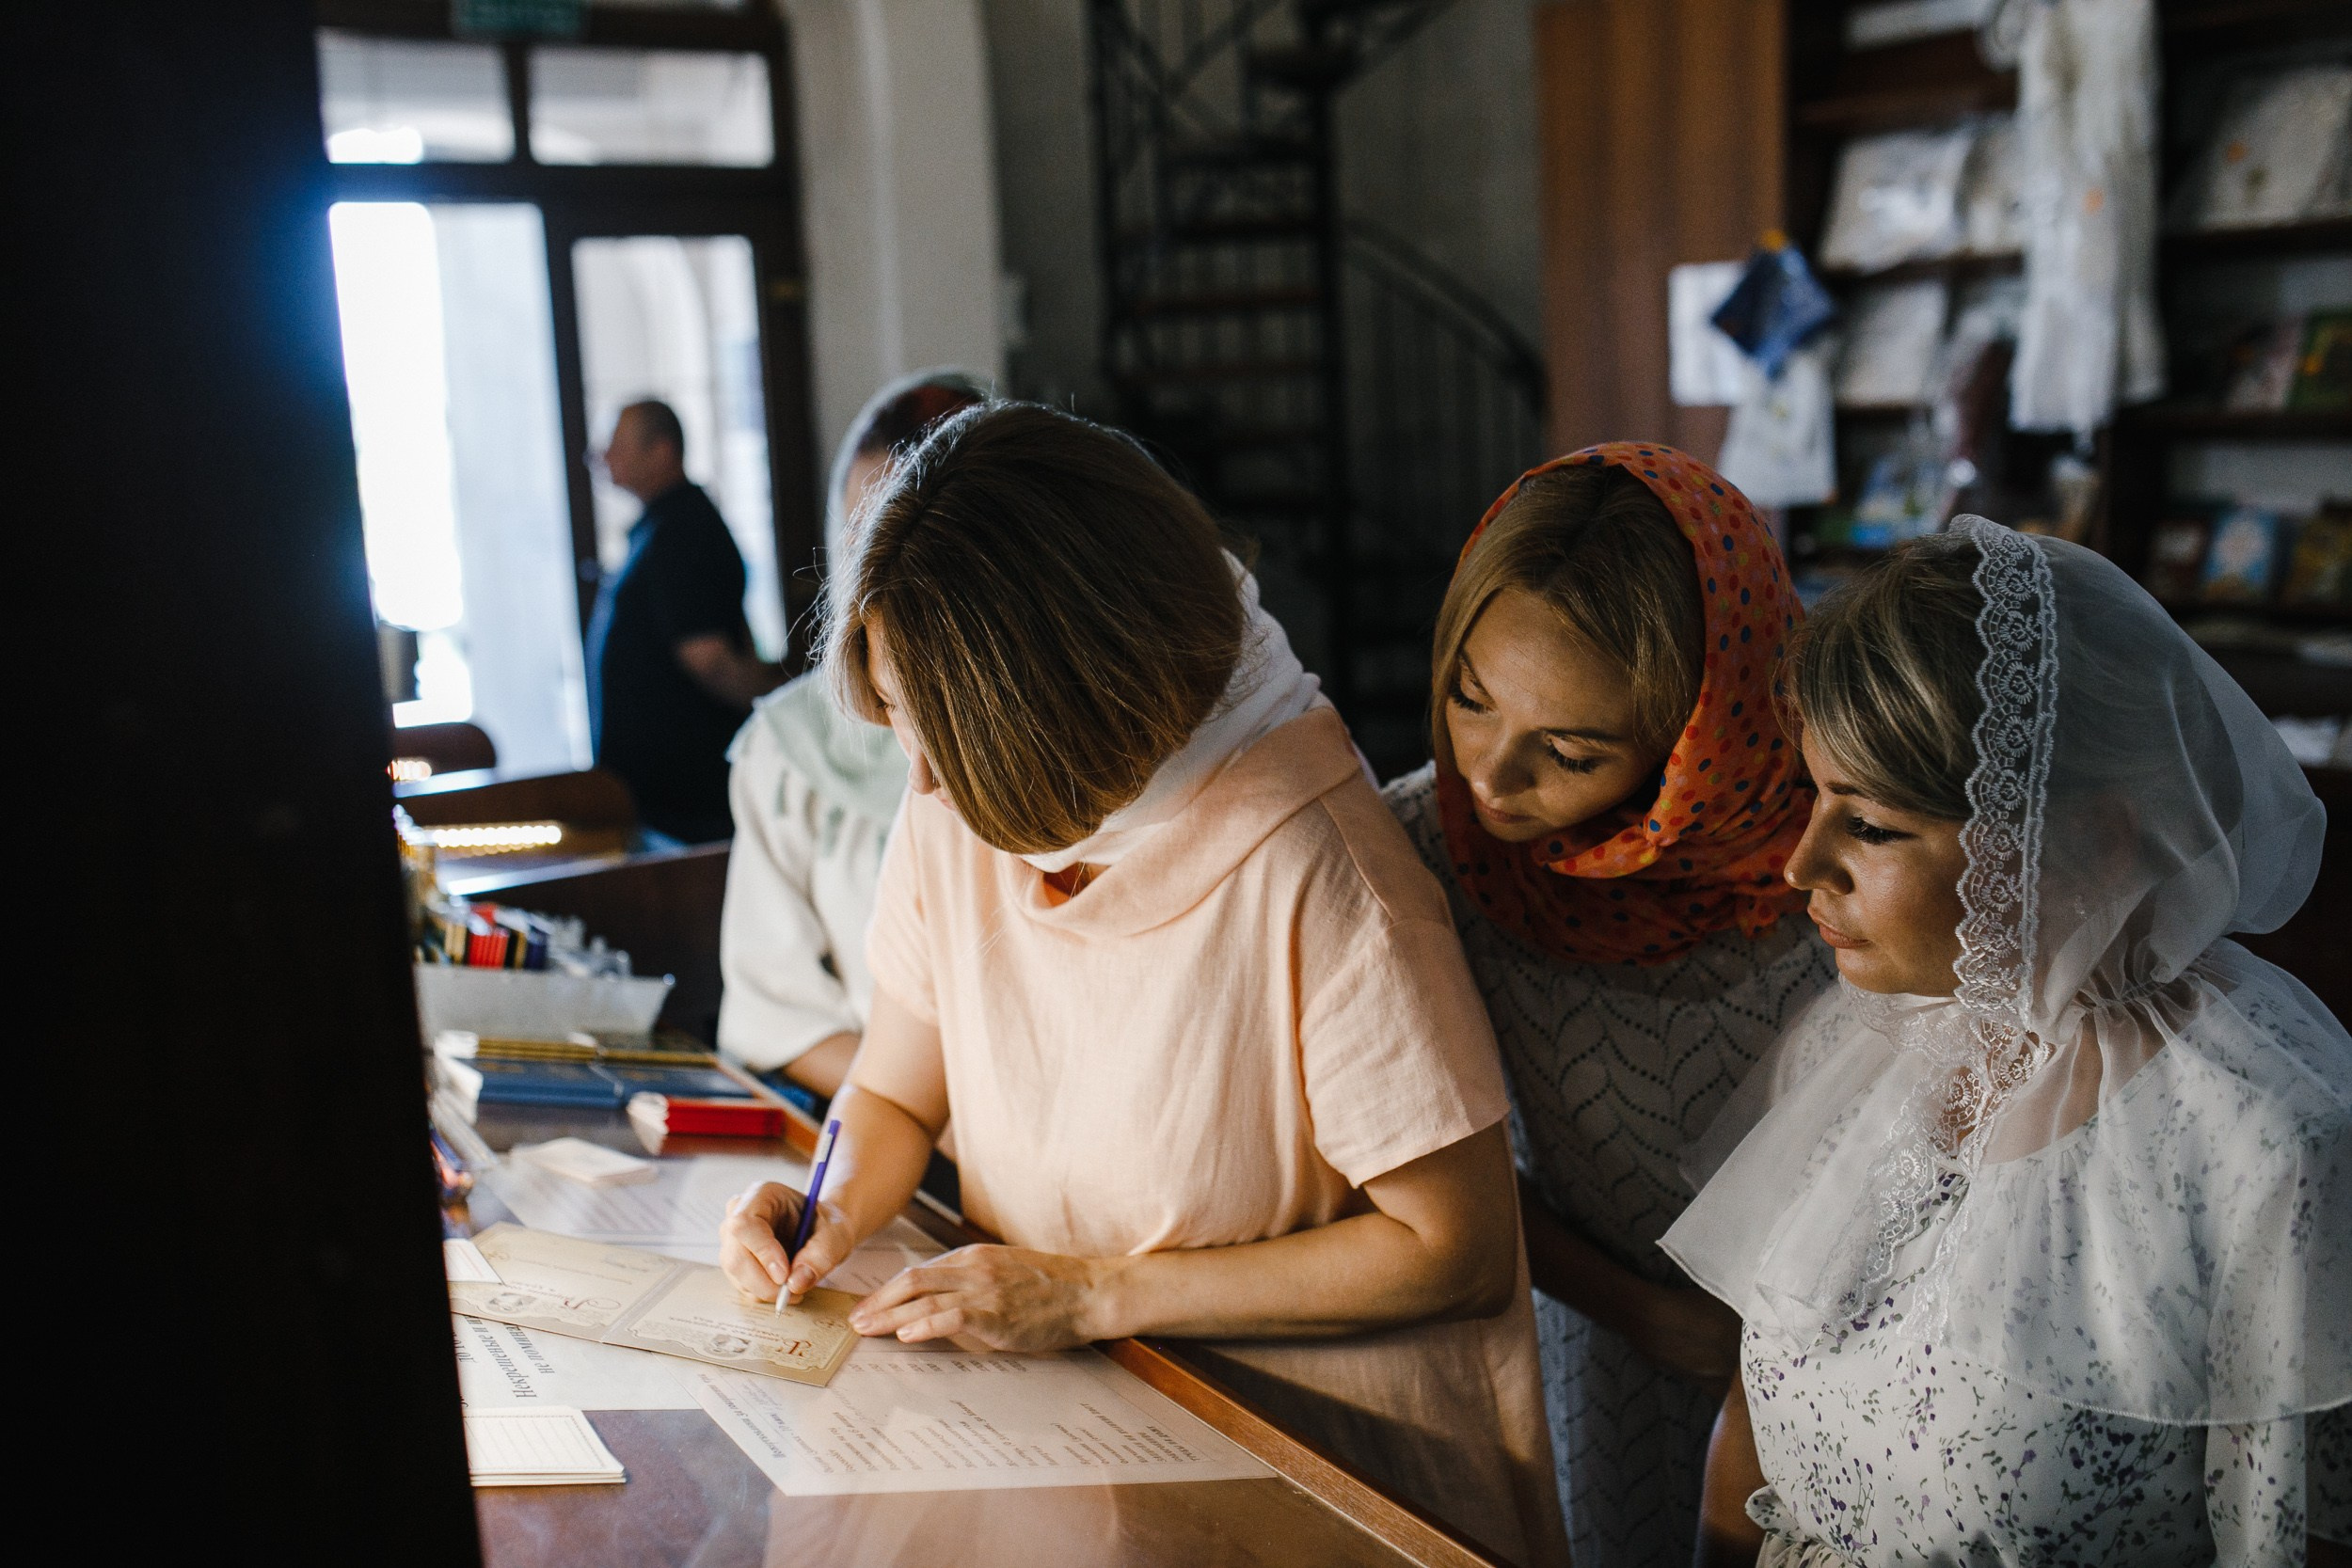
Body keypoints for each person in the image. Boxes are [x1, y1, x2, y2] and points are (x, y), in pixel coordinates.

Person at [719, 402, 1570, 1566]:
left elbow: (1456, 1249)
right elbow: (896, 1095)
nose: (915, 779)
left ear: (1065, 712)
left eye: (937, 732)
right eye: (902, 724)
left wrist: (1095, 1293)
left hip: (1316, 1471)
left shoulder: (1317, 866)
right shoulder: (960, 802)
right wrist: (829, 1213)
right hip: (1071, 1422)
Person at [1661, 516, 2352, 1568]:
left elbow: (2283, 1539)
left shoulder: (2266, 1145)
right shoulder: (1853, 1048)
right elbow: (1749, 1433)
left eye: (1872, 825)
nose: (1801, 863)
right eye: (1815, 797)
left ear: (2091, 835)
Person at [1381, 443, 1836, 1568]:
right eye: (1467, 697)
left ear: (1702, 737)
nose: (1488, 775)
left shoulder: (1840, 848)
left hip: (1848, 1360)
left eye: (1570, 752)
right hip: (1586, 1337)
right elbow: (1414, 1165)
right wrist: (1643, 1313)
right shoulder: (1422, 853)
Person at [717, 370, 989, 1098]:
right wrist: (941, 1127)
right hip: (898, 1126)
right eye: (862, 537)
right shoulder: (789, 750)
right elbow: (777, 1012)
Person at [585, 398, 780, 844]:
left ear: (663, 450)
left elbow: (710, 659)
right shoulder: (659, 525)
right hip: (657, 799)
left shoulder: (685, 530)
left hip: (689, 800)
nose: (603, 457)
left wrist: (780, 709)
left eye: (617, 445)